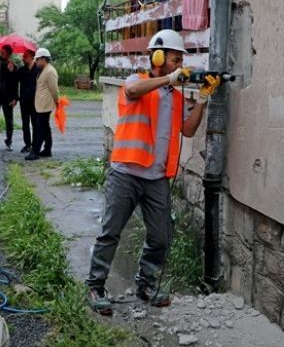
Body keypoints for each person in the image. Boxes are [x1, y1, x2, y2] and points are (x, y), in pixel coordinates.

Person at [84, 30, 221, 315]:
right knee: (111, 232)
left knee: (161, 236)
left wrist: (204, 100)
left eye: (181, 59)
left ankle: (145, 284)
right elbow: (132, 92)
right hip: (125, 174)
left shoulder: (175, 95)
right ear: (157, 57)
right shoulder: (138, 81)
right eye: (175, 58)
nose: (179, 63)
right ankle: (95, 286)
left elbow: (188, 129)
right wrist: (168, 79)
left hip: (157, 178)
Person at [25, 48, 59, 161]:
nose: (36, 62)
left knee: (40, 128)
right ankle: (47, 149)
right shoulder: (42, 69)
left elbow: (54, 89)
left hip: (45, 104)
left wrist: (57, 102)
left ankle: (35, 151)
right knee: (45, 127)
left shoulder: (50, 71)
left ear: (44, 59)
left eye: (37, 59)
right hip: (40, 103)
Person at [16, 49, 40, 153]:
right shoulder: (21, 70)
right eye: (23, 56)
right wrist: (12, 70)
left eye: (25, 56)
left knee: (35, 124)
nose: (23, 58)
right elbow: (14, 82)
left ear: (31, 56)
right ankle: (27, 144)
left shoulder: (39, 70)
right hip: (24, 101)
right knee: (25, 124)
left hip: (35, 101)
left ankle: (35, 145)